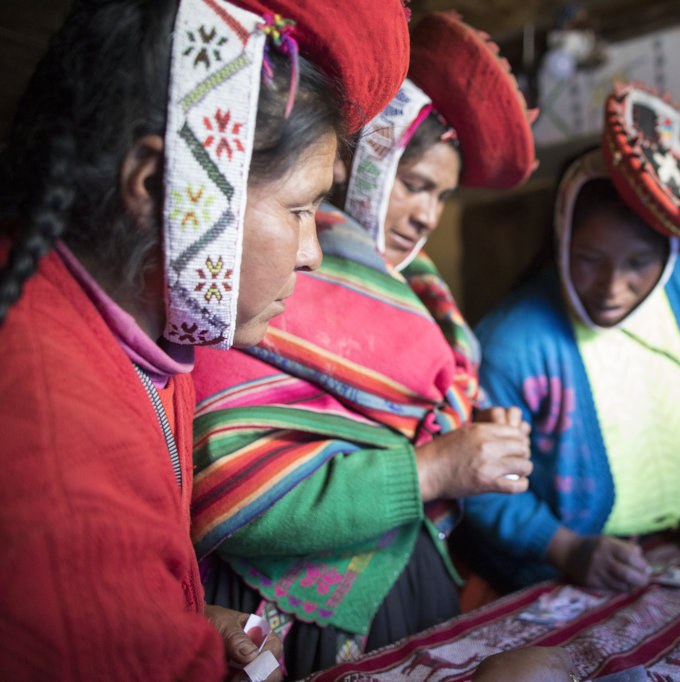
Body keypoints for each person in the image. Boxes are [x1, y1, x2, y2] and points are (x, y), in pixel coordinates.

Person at [0, 0, 411, 678]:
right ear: (160, 185)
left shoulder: (154, 329)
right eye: (301, 210)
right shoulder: (54, 474)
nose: (313, 254)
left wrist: (177, 620)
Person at [189, 11, 541, 678]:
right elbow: (226, 482)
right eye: (414, 184)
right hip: (291, 614)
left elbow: (410, 418)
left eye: (442, 196)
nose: (427, 215)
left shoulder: (425, 298)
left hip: (407, 594)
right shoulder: (260, 279)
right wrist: (435, 468)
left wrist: (472, 435)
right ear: (363, 164)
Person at [456, 83, 680, 594]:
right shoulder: (514, 342)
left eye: (638, 262)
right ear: (561, 239)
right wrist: (566, 547)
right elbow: (481, 483)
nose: (613, 288)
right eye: (590, 259)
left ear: (669, 251)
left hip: (676, 544)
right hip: (555, 569)